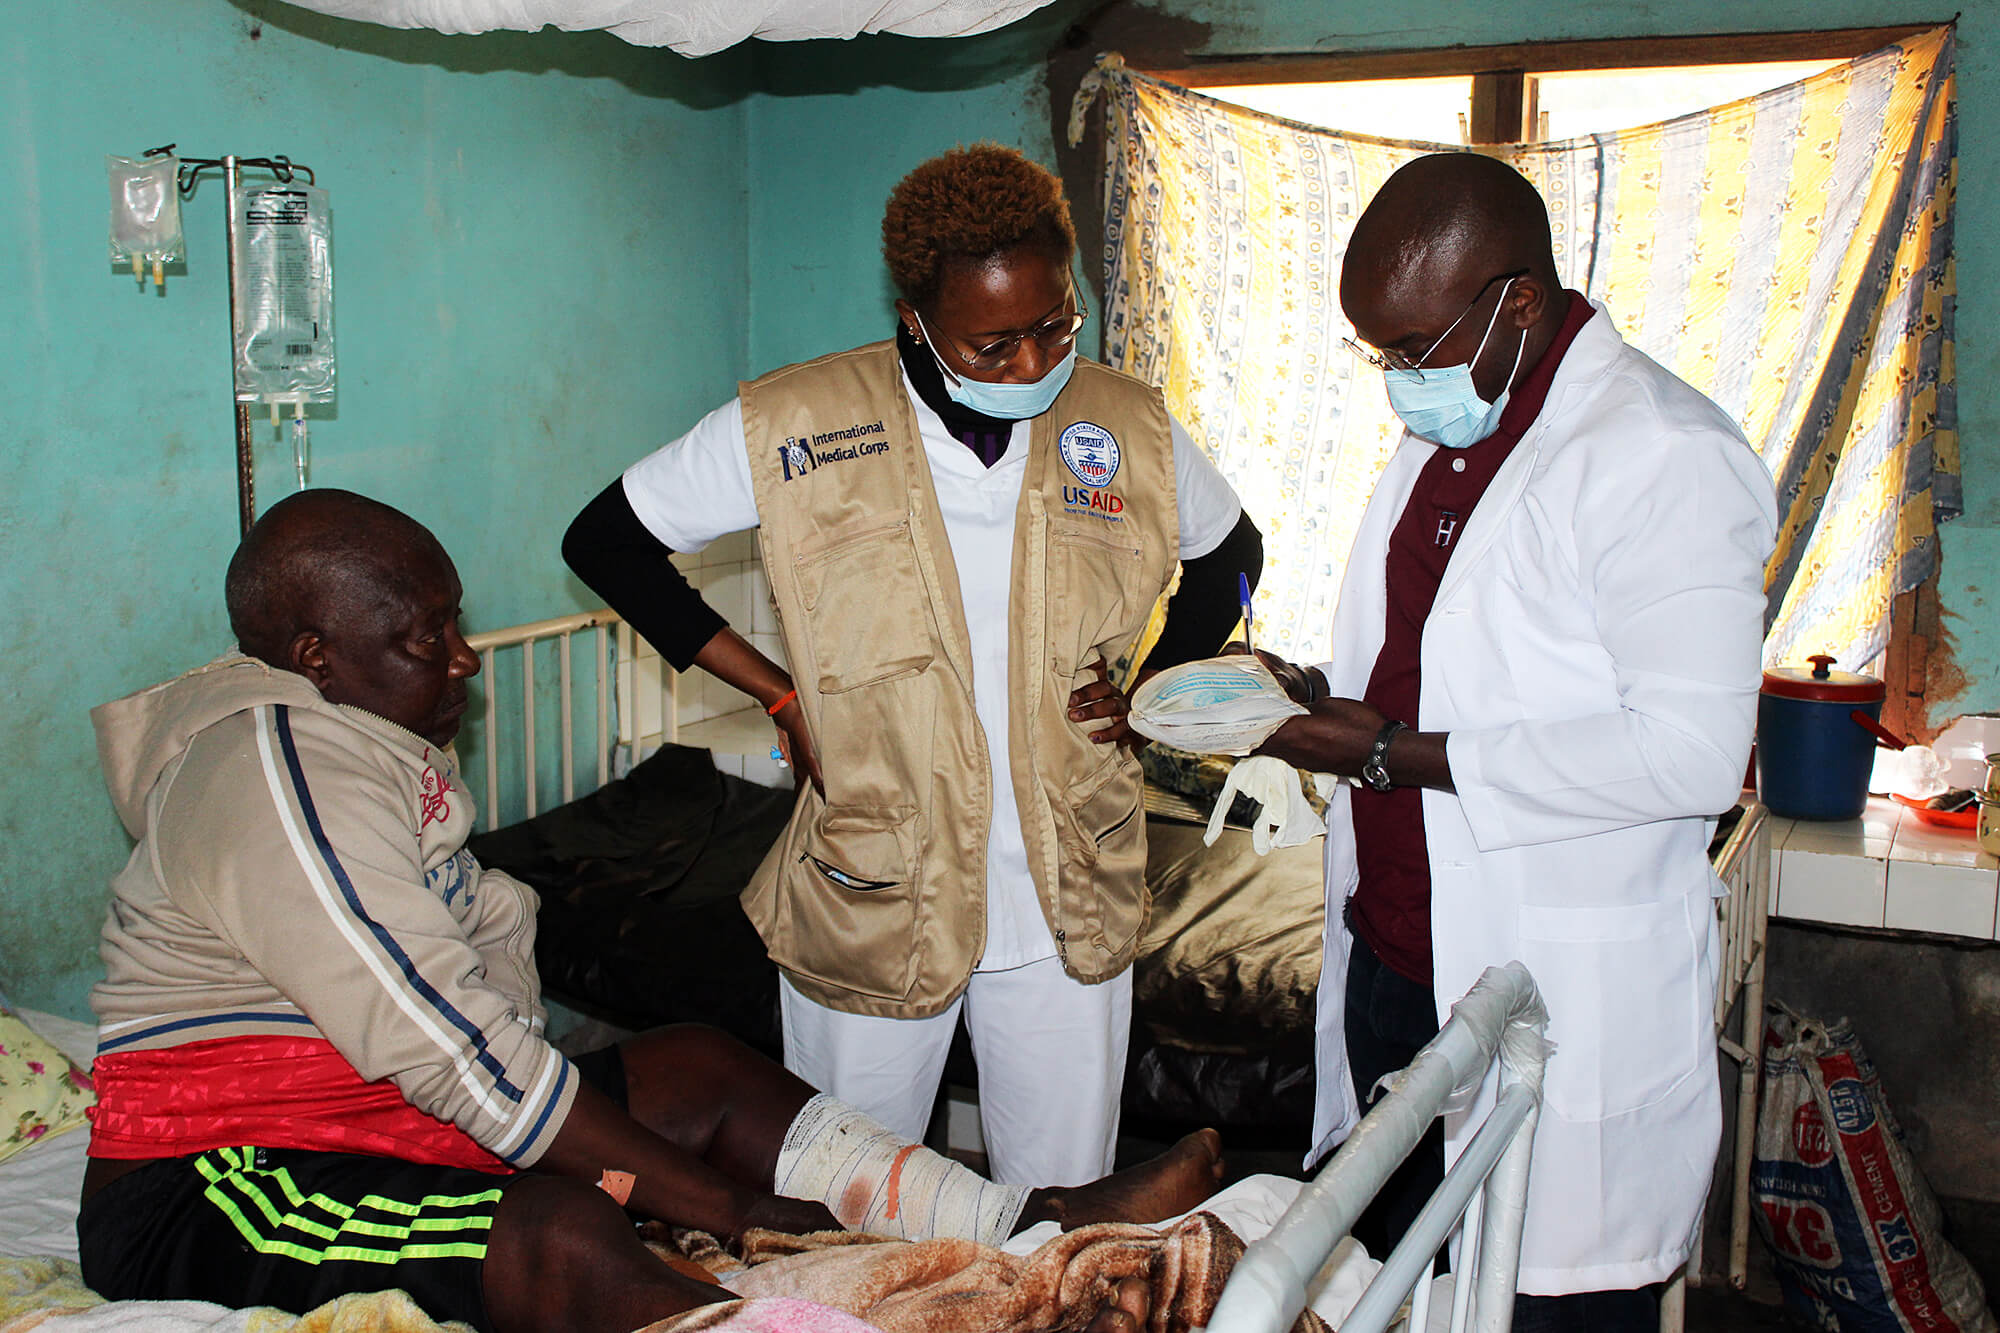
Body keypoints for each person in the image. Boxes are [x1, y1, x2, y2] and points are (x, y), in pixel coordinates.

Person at [78, 489, 1224, 1333]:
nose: (466, 659)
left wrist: (647, 1165)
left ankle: (1025, 1226)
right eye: (421, 638)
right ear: (313, 655)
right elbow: (448, 1047)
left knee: (690, 1066)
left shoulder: (367, 755)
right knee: (553, 1231)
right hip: (224, 1168)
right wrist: (721, 1205)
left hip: (384, 1120)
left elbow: (488, 1000)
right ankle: (836, 1302)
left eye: (455, 620)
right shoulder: (272, 768)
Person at [563, 143, 1262, 1189]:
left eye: (1053, 327)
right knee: (851, 1202)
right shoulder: (796, 424)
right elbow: (605, 542)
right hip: (875, 878)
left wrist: (1153, 688)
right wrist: (775, 691)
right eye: (990, 345)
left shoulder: (1125, 425)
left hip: (1068, 881)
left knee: (1063, 1211)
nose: (1030, 365)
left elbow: (1231, 558)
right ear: (914, 320)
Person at [1250, 153, 1777, 1329]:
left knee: (1539, 1307)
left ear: (1518, 301)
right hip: (1394, 967)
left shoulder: (1661, 454)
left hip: (1545, 986)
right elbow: (1453, 675)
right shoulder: (1445, 442)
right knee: (1389, 1296)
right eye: (1377, 353)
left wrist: (1392, 753)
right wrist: (1309, 696)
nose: (1397, 378)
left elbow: (1687, 753)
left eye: (1415, 350)